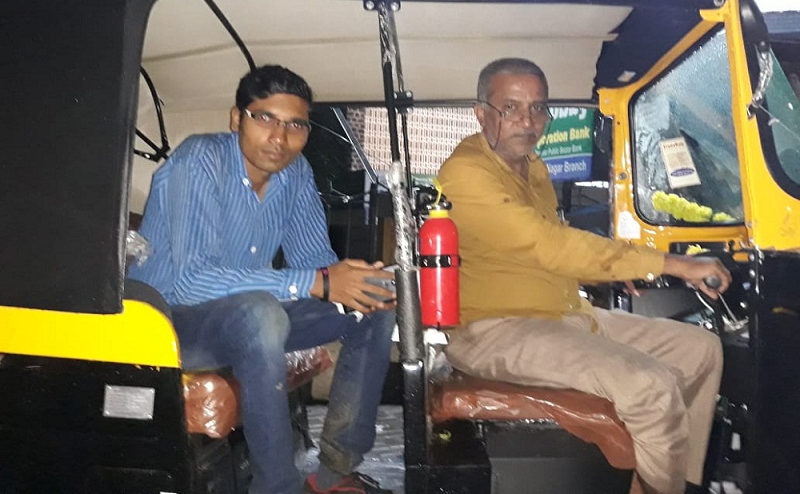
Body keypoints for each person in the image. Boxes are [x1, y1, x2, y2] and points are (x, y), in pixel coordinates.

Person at [436, 58, 732, 494]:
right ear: (481, 113)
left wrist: (608, 271)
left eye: (538, 108)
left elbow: (550, 241)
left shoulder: (532, 166)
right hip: (495, 329)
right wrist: (673, 264)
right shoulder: (466, 172)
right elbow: (549, 246)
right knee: (650, 384)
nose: (528, 121)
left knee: (700, 349)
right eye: (511, 108)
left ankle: (668, 481)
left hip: (564, 313)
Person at [128, 64, 397, 494]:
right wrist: (318, 283)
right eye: (264, 118)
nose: (280, 137)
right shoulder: (199, 161)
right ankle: (277, 488)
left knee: (374, 300)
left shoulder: (295, 174)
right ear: (237, 119)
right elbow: (192, 282)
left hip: (244, 319)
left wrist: (350, 281)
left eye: (295, 124)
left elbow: (315, 264)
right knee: (260, 314)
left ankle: (334, 469)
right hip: (168, 322)